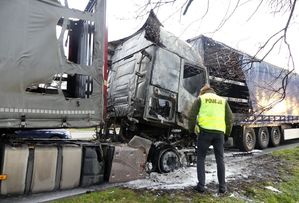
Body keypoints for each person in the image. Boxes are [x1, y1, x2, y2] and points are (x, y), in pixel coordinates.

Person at [189, 84, 233, 194]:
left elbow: (192, 116)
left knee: (201, 158)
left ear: (203, 92)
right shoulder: (222, 101)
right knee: (220, 160)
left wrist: (191, 131)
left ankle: (201, 186)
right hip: (219, 134)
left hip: (204, 133)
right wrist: (226, 134)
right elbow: (229, 118)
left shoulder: (201, 99)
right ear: (213, 91)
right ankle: (222, 187)